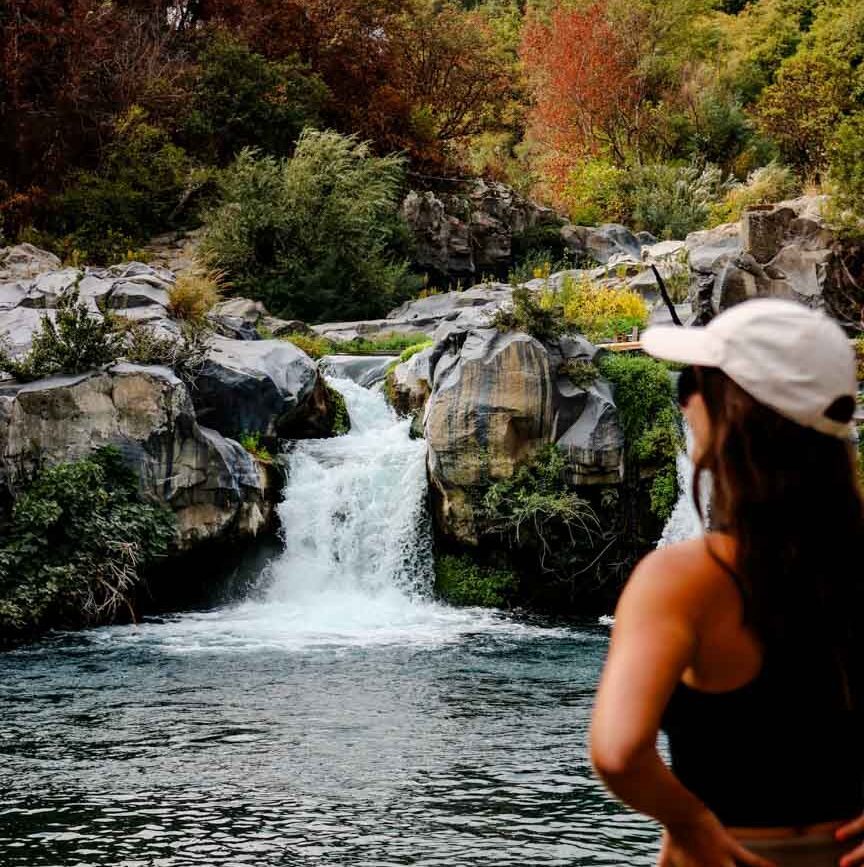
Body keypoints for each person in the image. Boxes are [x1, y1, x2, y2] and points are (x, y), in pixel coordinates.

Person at [590, 298, 864, 867]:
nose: (686, 399)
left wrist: (689, 821)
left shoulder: (682, 579)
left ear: (740, 412)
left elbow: (618, 752)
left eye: (696, 382)